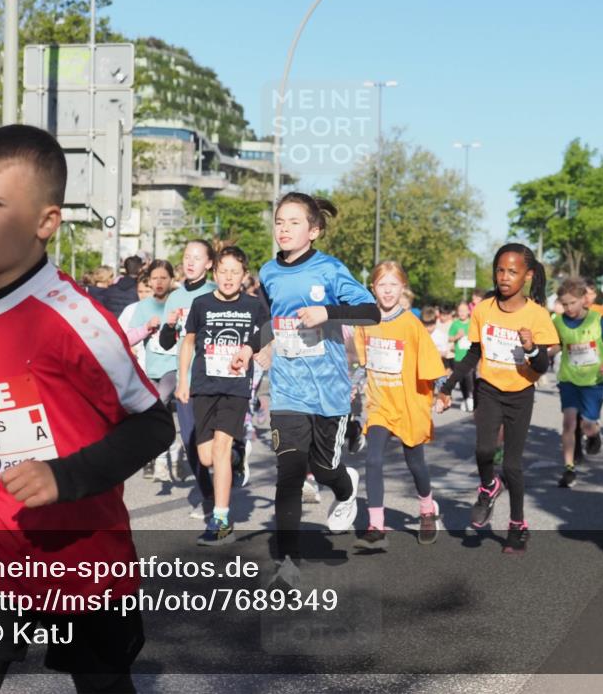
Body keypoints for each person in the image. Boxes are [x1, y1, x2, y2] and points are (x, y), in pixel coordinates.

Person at [0, 124, 173, 693]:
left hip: (80, 553)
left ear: (46, 222)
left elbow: (154, 424)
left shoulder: (76, 320)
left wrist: (64, 477)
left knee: (103, 685)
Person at [258, 192, 380, 588]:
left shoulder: (329, 270)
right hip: (288, 391)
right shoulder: (268, 272)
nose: (284, 229)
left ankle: (346, 491)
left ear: (314, 230)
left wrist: (329, 312)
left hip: (328, 391)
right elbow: (268, 318)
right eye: (279, 221)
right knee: (290, 472)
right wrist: (258, 346)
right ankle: (289, 565)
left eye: (294, 222)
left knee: (326, 468)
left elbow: (371, 312)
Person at [436, 244, 558, 554]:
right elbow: (475, 351)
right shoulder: (485, 308)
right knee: (484, 449)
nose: (504, 277)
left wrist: (531, 348)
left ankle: (517, 525)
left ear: (528, 276)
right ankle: (488, 487)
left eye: (513, 272)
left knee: (513, 467)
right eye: (500, 270)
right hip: (488, 388)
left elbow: (543, 366)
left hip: (520, 394)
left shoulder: (537, 315)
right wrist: (448, 384)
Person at [352, 261, 446, 549]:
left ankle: (427, 509)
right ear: (373, 288)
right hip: (380, 404)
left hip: (409, 404)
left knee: (415, 463)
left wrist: (442, 392)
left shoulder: (411, 324)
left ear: (402, 287)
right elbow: (363, 360)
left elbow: (430, 362)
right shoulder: (366, 321)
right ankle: (376, 525)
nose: (388, 290)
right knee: (372, 459)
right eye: (382, 285)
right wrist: (355, 383)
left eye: (393, 285)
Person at [176, 246, 266, 546]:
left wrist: (252, 348)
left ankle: (222, 520)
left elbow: (269, 332)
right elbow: (188, 343)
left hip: (235, 388)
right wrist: (183, 380)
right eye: (223, 272)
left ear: (244, 276)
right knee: (204, 455)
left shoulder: (254, 306)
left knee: (220, 451)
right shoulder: (201, 304)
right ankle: (238, 454)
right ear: (215, 274)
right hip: (203, 385)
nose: (228, 278)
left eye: (235, 272)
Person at [157, 241, 218, 517]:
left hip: (214, 378)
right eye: (186, 257)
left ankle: (235, 461)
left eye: (197, 257)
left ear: (208, 263)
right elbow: (167, 343)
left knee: (217, 439)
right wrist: (169, 326)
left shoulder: (216, 293)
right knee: (192, 440)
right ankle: (209, 495)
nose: (190, 262)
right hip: (185, 380)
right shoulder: (175, 297)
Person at [550, 277, 603, 488]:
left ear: (582, 300)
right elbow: (556, 346)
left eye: (573, 302)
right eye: (565, 304)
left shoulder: (597, 319)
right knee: (569, 422)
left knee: (587, 425)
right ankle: (569, 468)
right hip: (569, 378)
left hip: (593, 379)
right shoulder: (558, 322)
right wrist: (538, 353)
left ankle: (594, 434)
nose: (569, 308)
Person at [128, 260, 180, 481]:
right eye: (154, 278)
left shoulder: (179, 302)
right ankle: (172, 450)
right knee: (161, 414)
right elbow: (129, 337)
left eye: (163, 278)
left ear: (171, 280)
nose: (158, 282)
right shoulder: (143, 306)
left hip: (174, 367)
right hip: (151, 369)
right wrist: (147, 327)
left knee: (159, 401)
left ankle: (159, 461)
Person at [447, 301, 475, 411]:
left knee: (469, 377)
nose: (462, 313)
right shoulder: (455, 324)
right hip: (458, 357)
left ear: (468, 311)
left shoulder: (472, 323)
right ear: (457, 312)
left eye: (464, 310)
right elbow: (449, 338)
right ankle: (465, 398)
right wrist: (457, 336)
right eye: (460, 311)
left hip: (470, 356)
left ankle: (470, 398)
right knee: (462, 380)